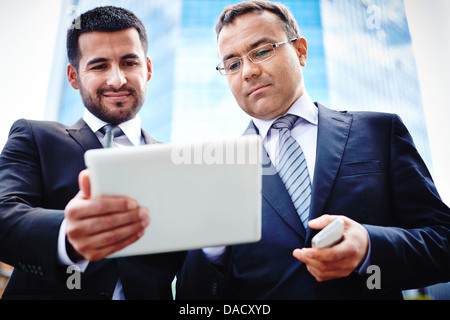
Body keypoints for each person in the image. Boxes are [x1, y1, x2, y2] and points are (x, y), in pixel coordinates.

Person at [176, 0, 450, 299]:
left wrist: (371, 246)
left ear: (301, 50)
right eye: (233, 64)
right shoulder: (219, 173)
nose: (248, 71)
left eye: (262, 51)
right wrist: (212, 248)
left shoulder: (378, 132)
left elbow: (443, 242)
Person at [0, 6, 185, 300]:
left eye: (129, 63)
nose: (117, 80)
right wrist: (67, 236)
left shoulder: (178, 163)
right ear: (73, 77)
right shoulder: (35, 138)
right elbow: (4, 215)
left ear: (147, 68)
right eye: (99, 66)